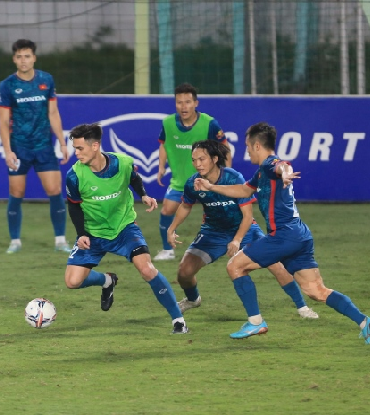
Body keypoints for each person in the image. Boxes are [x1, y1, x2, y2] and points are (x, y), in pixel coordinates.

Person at [194, 122, 370, 342]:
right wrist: (212, 187)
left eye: (248, 146)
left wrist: (286, 173)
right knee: (316, 291)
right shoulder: (261, 173)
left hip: (284, 235)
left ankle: (255, 322)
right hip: (299, 234)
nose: (247, 151)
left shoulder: (270, 165)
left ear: (257, 146)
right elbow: (244, 190)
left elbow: (282, 166)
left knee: (235, 266)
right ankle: (364, 322)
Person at [166, 140, 318, 319]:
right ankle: (193, 300)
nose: (197, 164)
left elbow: (247, 216)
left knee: (277, 266)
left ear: (214, 159)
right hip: (212, 232)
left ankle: (302, 307)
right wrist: (172, 228)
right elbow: (186, 205)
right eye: (194, 160)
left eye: (202, 159)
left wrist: (237, 239)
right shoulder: (193, 183)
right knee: (184, 272)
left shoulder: (233, 178)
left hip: (245, 230)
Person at [64, 123, 189, 334]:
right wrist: (81, 234)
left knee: (147, 269)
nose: (76, 153)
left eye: (80, 148)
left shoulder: (122, 163)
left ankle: (178, 320)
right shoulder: (74, 175)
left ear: (95, 146)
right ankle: (107, 281)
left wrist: (144, 195)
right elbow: (74, 206)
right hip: (93, 234)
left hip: (124, 229)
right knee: (72, 281)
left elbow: (133, 178)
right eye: (75, 148)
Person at [0, 39, 71, 254]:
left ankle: (60, 240)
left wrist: (62, 142)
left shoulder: (46, 80)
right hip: (19, 147)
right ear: (14, 59)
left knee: (55, 190)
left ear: (34, 58)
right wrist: (7, 150)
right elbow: (3, 121)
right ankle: (15, 241)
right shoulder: (7, 85)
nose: (23, 60)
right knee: (17, 192)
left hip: (43, 146)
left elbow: (53, 113)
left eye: (27, 56)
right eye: (19, 57)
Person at [154, 83, 231, 261]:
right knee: (166, 210)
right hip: (181, 182)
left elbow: (225, 148)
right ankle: (168, 250)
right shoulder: (168, 123)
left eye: (187, 102)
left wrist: (226, 174)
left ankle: (233, 243)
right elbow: (163, 144)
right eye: (179, 102)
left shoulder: (210, 123)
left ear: (196, 103)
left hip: (208, 181)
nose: (183, 106)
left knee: (224, 212)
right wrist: (161, 167)